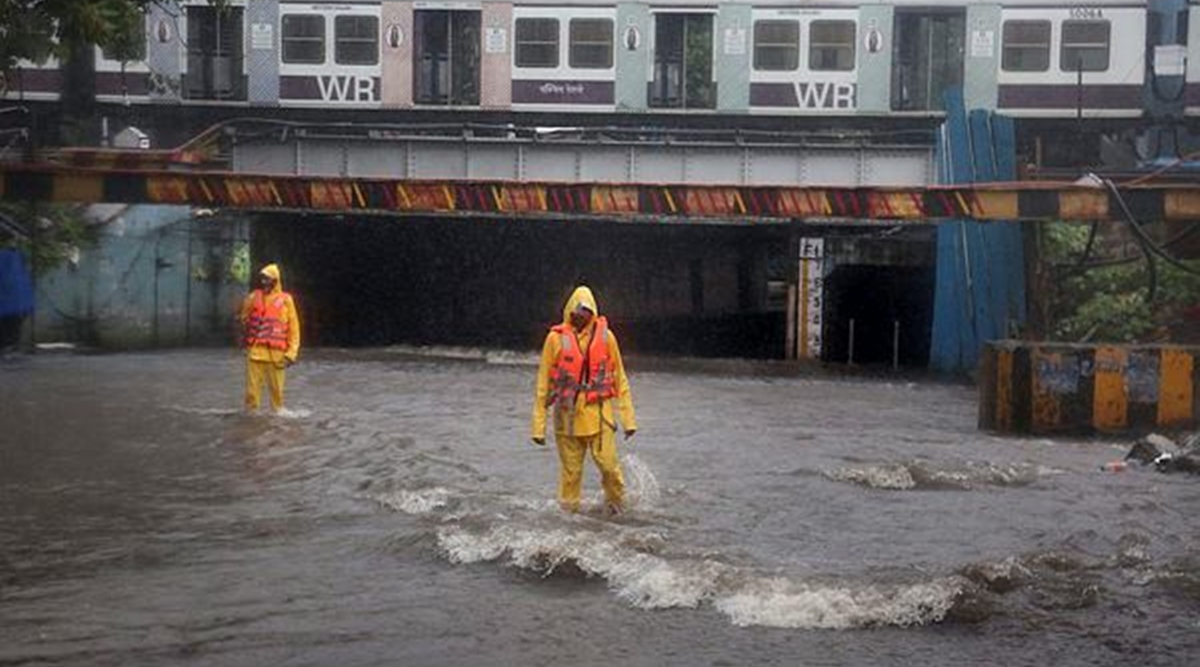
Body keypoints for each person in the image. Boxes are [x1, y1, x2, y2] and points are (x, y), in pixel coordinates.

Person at [531, 286, 637, 514]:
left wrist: (629, 420)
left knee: (610, 468)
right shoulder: (554, 339)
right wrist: (538, 427)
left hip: (600, 417)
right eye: (577, 311)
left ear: (593, 313)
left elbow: (620, 378)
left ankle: (617, 507)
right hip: (566, 420)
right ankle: (569, 519)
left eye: (586, 311)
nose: (580, 316)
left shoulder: (607, 338)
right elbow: (543, 384)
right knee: (571, 475)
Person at [239, 263, 300, 412]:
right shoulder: (253, 297)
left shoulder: (286, 300)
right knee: (251, 394)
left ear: (275, 280)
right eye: (262, 279)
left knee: (277, 395)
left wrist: (291, 354)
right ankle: (251, 420)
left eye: (267, 279)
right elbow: (243, 319)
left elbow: (294, 330)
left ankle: (277, 420)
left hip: (278, 356)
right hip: (256, 354)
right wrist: (245, 336)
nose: (264, 282)